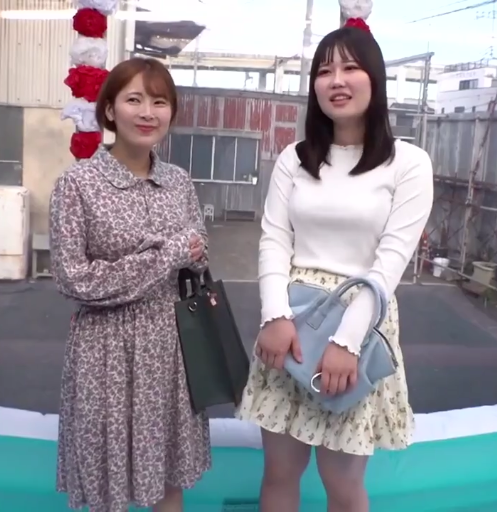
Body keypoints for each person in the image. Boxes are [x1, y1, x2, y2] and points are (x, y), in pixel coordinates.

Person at [235, 24, 434, 511]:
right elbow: (275, 239)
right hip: (293, 324)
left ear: (375, 79)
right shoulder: (295, 159)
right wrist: (274, 316)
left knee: (341, 484)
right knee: (279, 473)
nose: (336, 80)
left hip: (360, 326)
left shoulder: (408, 163)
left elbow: (389, 264)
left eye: (350, 68)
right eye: (324, 71)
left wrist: (346, 343)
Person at [50, 57, 210, 512]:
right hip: (105, 352)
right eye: (134, 99)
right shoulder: (77, 185)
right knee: (106, 479)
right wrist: (168, 255)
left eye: (159, 102)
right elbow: (73, 278)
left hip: (172, 347)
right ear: (109, 110)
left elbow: (198, 251)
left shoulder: (178, 182)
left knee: (168, 476)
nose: (147, 113)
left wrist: (196, 253)